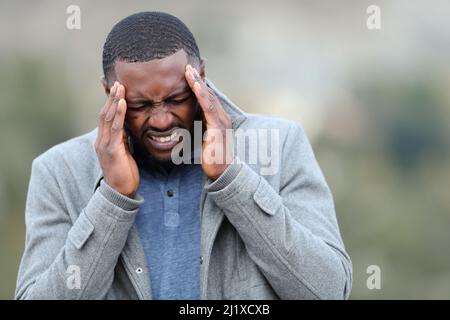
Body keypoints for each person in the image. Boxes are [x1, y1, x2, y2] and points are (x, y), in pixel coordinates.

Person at [15, 11, 352, 299]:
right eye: (140, 105)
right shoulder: (57, 172)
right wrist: (112, 200)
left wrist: (231, 179)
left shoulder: (280, 144)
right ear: (108, 91)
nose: (161, 120)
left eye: (176, 99)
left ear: (200, 77)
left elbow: (327, 290)